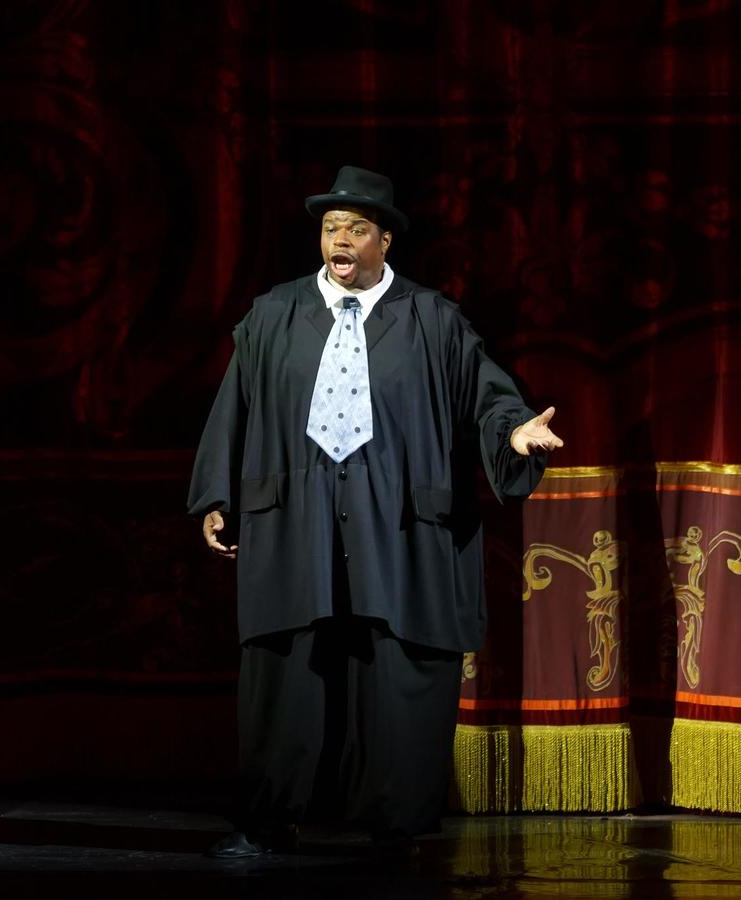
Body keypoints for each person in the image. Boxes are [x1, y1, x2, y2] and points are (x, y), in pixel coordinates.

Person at [187, 165, 563, 858]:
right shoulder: (274, 315)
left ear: (384, 241)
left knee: (400, 664)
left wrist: (514, 433)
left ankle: (397, 826)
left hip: (400, 522)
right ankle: (270, 821)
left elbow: (488, 396)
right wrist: (216, 494)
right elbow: (231, 410)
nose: (340, 239)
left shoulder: (433, 320)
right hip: (295, 517)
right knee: (287, 666)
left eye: (357, 228)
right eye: (331, 227)